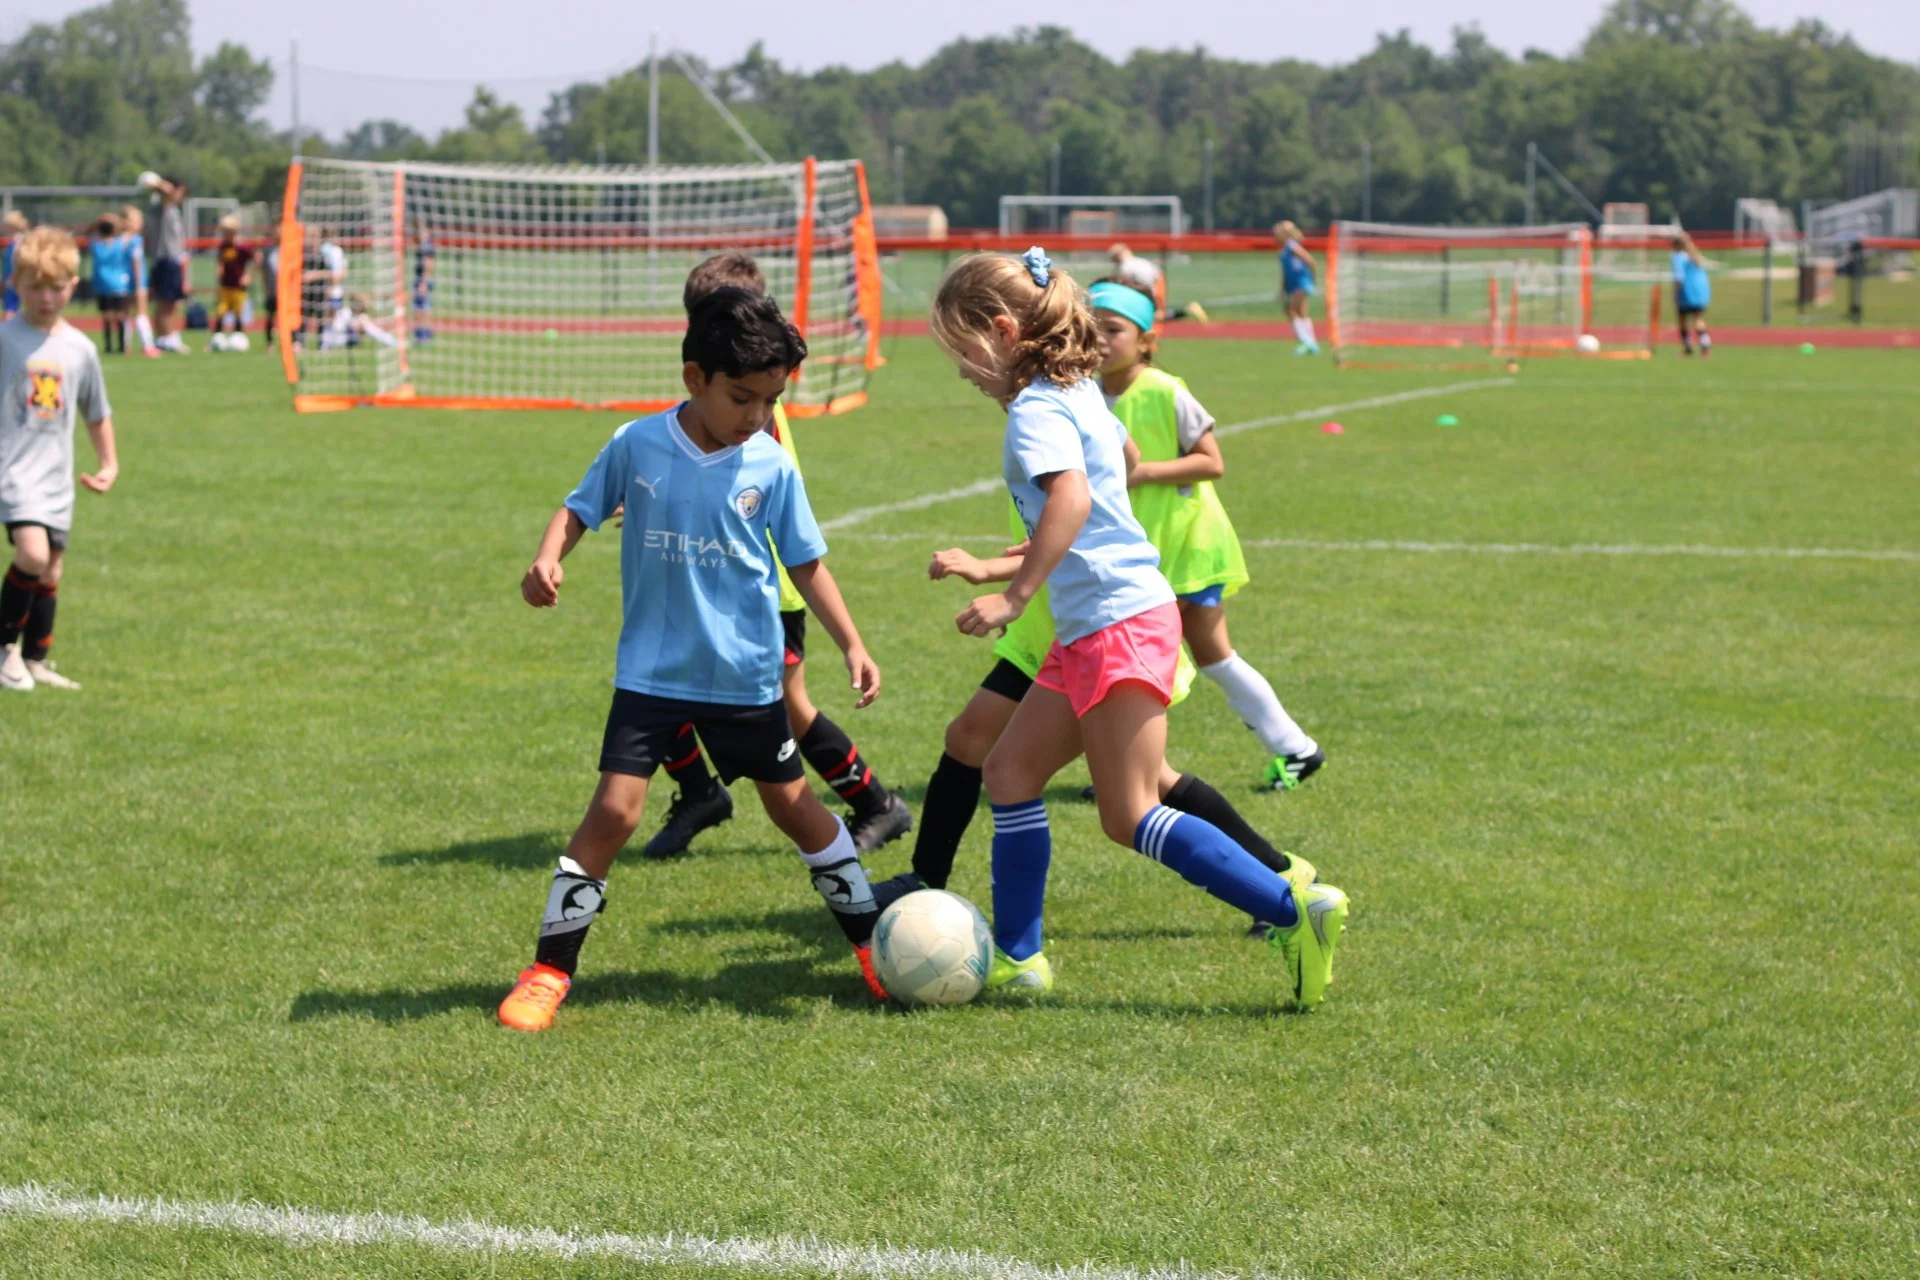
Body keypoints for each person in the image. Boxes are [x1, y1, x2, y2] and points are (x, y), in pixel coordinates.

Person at [926, 247, 1348, 1008]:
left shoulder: (1034, 410)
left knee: (1129, 815)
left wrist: (1014, 597)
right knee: (1011, 774)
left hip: (1117, 622)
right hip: (1099, 623)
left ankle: (1296, 910)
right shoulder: (1079, 385)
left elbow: (1075, 503)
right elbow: (1114, 473)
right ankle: (1020, 957)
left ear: (1003, 330)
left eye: (964, 353)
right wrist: (998, 568)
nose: (962, 371)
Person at [497, 287, 893, 1031]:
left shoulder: (770, 465)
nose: (756, 415)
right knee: (613, 811)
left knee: (795, 810)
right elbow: (580, 506)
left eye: (771, 400)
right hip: (650, 672)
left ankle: (873, 945)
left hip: (743, 674)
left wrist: (853, 642)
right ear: (694, 379)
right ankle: (549, 971)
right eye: (743, 397)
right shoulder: (637, 444)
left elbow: (807, 563)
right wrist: (547, 558)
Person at [870, 509, 1318, 936]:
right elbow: (1058, 534)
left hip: (1090, 627)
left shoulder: (1051, 430)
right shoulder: (1039, 435)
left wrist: (998, 580)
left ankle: (1278, 880)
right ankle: (938, 887)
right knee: (974, 740)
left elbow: (1080, 528)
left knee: (1139, 795)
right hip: (1054, 622)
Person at [642, 252, 913, 859]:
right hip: (702, 578)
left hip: (761, 586)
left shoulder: (751, 409)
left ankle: (875, 803)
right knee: (656, 681)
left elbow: (742, 493)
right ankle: (698, 792)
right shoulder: (715, 398)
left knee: (788, 710)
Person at [1090, 279, 1325, 790]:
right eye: (1092, 328)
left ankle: (1137, 772)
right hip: (1147, 548)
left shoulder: (1165, 390)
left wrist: (1142, 473)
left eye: (1115, 329)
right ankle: (1297, 748)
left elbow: (1211, 462)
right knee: (1214, 656)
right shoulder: (1087, 392)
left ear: (1147, 340)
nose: (1101, 339)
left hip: (1187, 546)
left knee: (1143, 662)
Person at [0, 228, 119, 693]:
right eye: (35, 287)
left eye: (55, 288)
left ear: (72, 285)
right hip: (13, 470)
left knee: (51, 570)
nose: (46, 297)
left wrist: (108, 463)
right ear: (16, 285)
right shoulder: (6, 339)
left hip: (56, 474)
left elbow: (97, 411)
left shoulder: (81, 349)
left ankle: (36, 659)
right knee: (32, 553)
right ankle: (5, 648)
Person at [144, 176, 192, 354]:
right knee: (165, 301)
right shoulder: (162, 206)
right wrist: (164, 184)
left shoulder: (172, 209)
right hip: (164, 260)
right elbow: (164, 191)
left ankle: (171, 335)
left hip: (174, 261)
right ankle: (164, 338)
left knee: (173, 302)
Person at [1105, 243, 1207, 324]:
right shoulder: (1141, 261)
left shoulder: (1125, 267)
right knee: (1156, 316)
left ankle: (1187, 311)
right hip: (1153, 289)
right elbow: (1157, 275)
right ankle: (1187, 311)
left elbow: (1125, 286)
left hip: (1144, 294)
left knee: (1154, 317)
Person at [87, 214, 135, 355]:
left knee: (106, 317)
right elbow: (129, 231)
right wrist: (117, 220)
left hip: (102, 285)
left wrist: (99, 219)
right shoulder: (120, 243)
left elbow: (88, 232)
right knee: (121, 316)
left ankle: (109, 346)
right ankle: (122, 347)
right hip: (119, 284)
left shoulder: (96, 245)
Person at [1273, 221, 1320, 355]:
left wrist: (1313, 280)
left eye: (1278, 233)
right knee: (1301, 313)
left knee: (1290, 310)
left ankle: (1306, 341)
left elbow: (1309, 261)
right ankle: (1312, 343)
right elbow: (1285, 272)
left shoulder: (1291, 246)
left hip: (1301, 283)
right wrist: (1282, 289)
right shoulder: (1284, 249)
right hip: (1293, 284)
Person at [119, 206, 160, 357]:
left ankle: (124, 345)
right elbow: (136, 263)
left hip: (122, 282)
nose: (140, 224)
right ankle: (147, 345)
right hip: (137, 282)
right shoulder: (136, 240)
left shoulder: (120, 240)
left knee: (126, 314)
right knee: (142, 313)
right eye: (137, 221)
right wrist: (138, 286)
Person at [209, 215, 253, 345]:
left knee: (238, 312)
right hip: (225, 285)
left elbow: (256, 259)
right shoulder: (223, 247)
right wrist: (219, 269)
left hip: (238, 287)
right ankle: (215, 339)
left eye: (227, 232)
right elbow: (220, 261)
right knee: (221, 311)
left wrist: (248, 276)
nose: (225, 235)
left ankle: (239, 338)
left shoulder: (243, 248)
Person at [1671, 233, 1711, 357]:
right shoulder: (1695, 255)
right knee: (1698, 319)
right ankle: (1705, 345)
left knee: (1682, 319)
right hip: (1701, 291)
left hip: (1687, 291)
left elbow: (1679, 277)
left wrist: (1675, 294)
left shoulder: (1678, 257)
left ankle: (1687, 347)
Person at [318, 292, 398, 350]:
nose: (364, 307)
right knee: (365, 325)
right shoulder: (345, 313)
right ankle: (392, 342)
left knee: (367, 325)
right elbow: (337, 328)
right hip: (335, 340)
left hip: (345, 340)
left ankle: (391, 342)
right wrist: (356, 328)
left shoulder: (360, 316)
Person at [1, 211, 28, 320]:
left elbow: (17, 261)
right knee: (12, 307)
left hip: (13, 278)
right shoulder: (12, 241)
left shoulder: (18, 242)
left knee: (10, 308)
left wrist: (12, 277)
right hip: (11, 278)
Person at [411, 230, 435, 344]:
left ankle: (422, 335)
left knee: (422, 307)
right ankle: (425, 333)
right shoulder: (424, 245)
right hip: (422, 280)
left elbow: (429, 265)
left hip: (423, 280)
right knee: (423, 307)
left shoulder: (426, 246)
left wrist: (424, 283)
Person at [260, 226, 280, 349]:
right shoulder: (268, 251)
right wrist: (266, 287)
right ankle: (269, 343)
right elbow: (263, 271)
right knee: (270, 317)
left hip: (285, 292)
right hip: (272, 289)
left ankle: (291, 341)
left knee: (287, 319)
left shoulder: (289, 249)